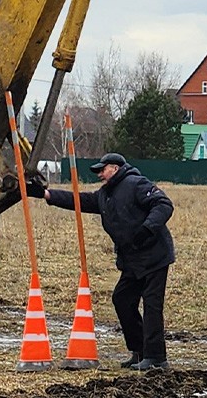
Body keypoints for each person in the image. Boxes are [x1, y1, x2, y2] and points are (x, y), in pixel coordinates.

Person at [28, 152, 175, 370]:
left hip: (154, 256)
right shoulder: (105, 195)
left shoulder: (136, 183)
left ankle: (156, 358)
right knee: (122, 300)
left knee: (152, 306)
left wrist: (147, 229)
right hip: (132, 260)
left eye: (102, 169)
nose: (99, 174)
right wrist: (46, 194)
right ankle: (140, 351)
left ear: (115, 168)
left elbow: (164, 204)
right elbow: (80, 201)